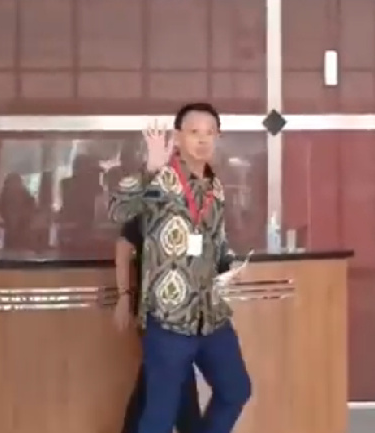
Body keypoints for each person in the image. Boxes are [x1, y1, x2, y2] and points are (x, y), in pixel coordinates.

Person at [108, 102, 251, 433]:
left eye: (210, 132)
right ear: (177, 137)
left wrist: (230, 265)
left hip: (211, 315)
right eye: (194, 132)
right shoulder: (159, 178)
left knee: (236, 389)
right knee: (159, 415)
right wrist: (148, 170)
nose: (202, 139)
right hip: (169, 319)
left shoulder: (215, 187)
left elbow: (216, 242)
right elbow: (117, 211)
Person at [114, 216, 234, 433]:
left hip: (192, 316)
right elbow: (124, 244)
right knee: (171, 391)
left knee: (163, 388)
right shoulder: (157, 202)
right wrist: (124, 295)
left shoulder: (204, 209)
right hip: (161, 316)